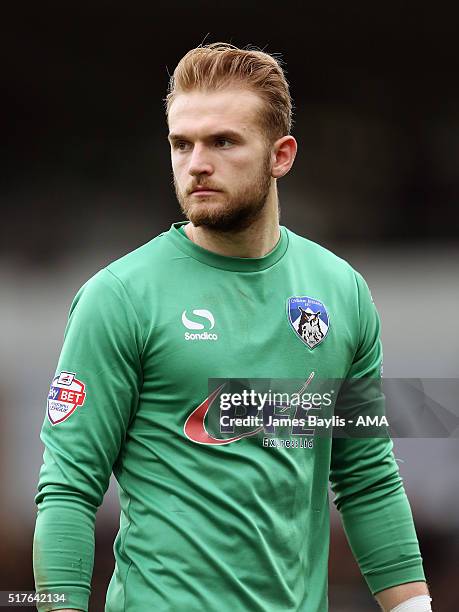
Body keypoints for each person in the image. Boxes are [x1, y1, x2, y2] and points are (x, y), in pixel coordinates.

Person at [33, 43, 432, 612]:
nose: (196, 162)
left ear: (282, 155)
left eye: (223, 141)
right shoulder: (118, 298)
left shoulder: (341, 292)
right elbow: (68, 491)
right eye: (181, 143)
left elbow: (367, 478)